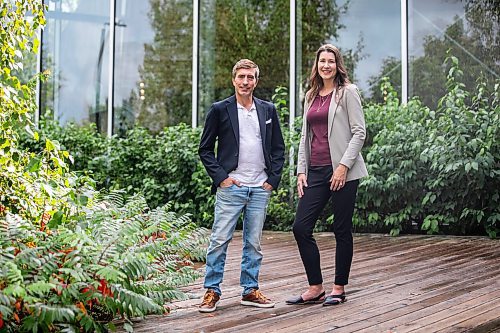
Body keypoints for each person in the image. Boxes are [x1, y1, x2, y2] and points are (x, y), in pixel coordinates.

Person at [198, 59, 285, 313]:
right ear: (233, 79)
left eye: (250, 77)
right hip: (231, 187)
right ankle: (212, 290)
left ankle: (250, 290)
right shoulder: (219, 109)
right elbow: (205, 149)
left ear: (256, 81)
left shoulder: (268, 110)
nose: (246, 82)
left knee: (254, 243)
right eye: (241, 77)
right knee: (219, 240)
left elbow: (278, 148)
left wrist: (273, 180)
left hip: (260, 187)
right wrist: (222, 178)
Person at [286, 44, 368, 306]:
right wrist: (301, 170)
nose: (326, 66)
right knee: (301, 227)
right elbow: (304, 136)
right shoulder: (311, 95)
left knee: (341, 229)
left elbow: (359, 132)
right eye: (322, 61)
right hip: (316, 171)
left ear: (337, 65)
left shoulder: (348, 93)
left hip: (343, 171)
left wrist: (343, 166)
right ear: (317, 65)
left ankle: (338, 288)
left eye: (331, 61)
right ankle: (315, 287)